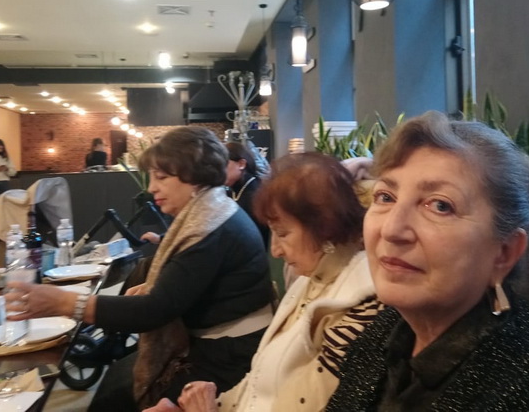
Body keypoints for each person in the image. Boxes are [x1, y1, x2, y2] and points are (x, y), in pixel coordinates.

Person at [324, 112, 529, 411]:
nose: (391, 230)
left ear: (504, 253)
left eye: (440, 206)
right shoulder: (384, 334)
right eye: (386, 197)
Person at [5, 126, 274, 411]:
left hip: (229, 356)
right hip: (218, 344)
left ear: (195, 177)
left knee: (110, 400)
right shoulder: (212, 210)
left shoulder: (209, 226)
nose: (151, 188)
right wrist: (158, 284)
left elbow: (153, 311)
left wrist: (64, 302)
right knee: (113, 384)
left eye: (161, 177)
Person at [146, 152, 381, 412]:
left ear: (325, 227)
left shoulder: (358, 311)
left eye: (283, 234)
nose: (275, 251)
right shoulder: (308, 282)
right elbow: (258, 383)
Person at [223, 142, 270, 248]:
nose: (220, 171)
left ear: (241, 164)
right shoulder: (230, 192)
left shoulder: (256, 194)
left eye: (224, 164)